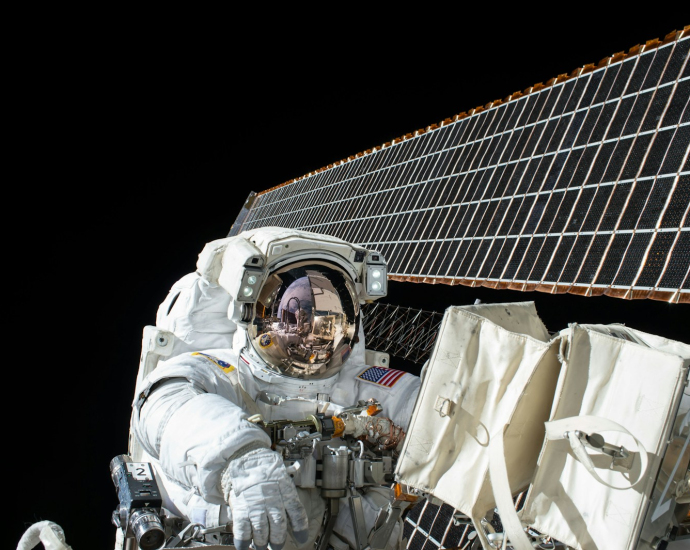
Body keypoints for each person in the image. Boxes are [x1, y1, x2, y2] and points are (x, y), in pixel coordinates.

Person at [129, 227, 421, 550]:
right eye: (299, 314)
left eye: (327, 317)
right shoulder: (229, 371)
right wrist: (239, 457)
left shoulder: (357, 384)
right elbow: (162, 398)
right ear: (257, 312)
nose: (311, 333)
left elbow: (433, 409)